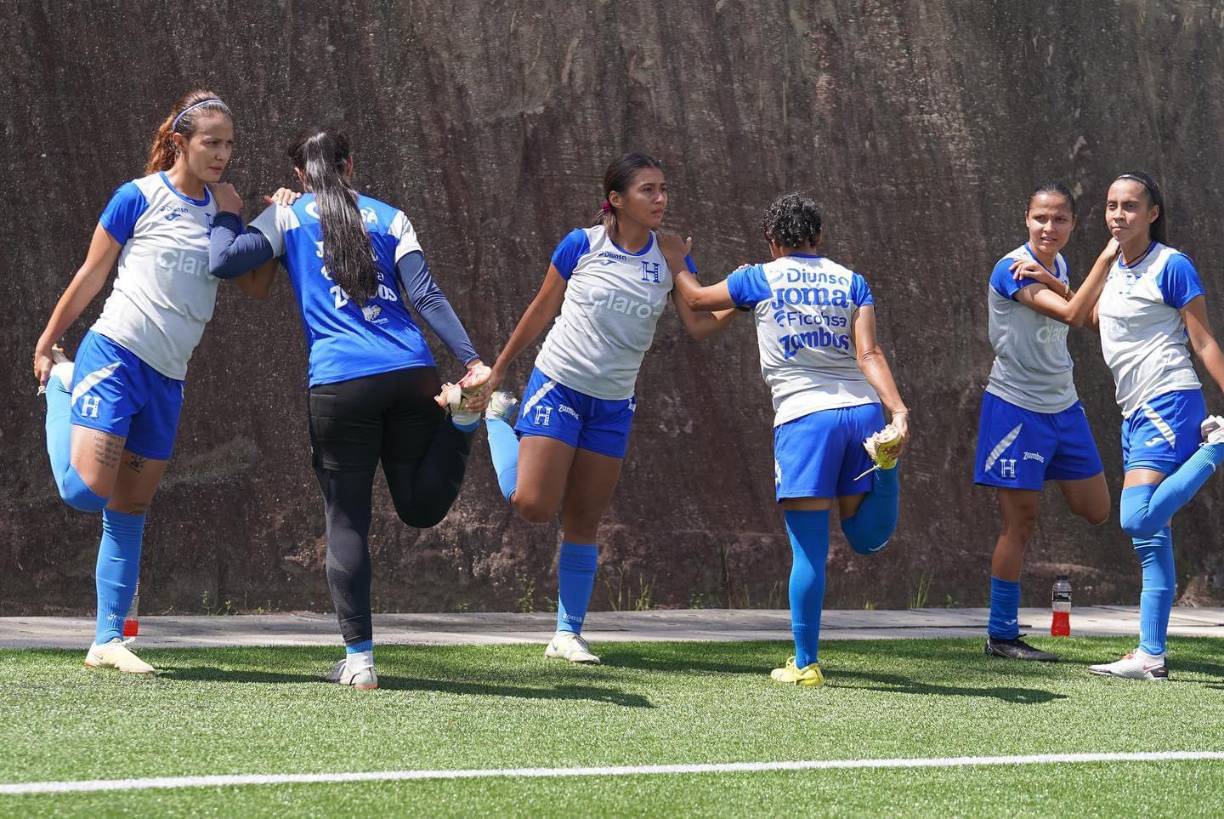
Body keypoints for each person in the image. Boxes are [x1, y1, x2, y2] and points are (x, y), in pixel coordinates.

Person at [208, 128, 488, 690]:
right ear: (350, 165)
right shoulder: (391, 217)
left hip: (341, 384)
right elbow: (426, 296)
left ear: (298, 177)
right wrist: (473, 361)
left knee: (347, 519)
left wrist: (228, 210)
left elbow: (223, 260)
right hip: (411, 373)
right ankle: (462, 423)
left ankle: (360, 661)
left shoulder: (288, 215)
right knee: (419, 508)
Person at [32, 90, 268, 674]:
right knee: (85, 490)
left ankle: (107, 640)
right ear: (179, 141)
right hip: (115, 355)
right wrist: (47, 342)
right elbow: (92, 275)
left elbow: (255, 287)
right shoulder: (136, 197)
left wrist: (242, 217)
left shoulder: (224, 204)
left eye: (229, 144)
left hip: (169, 377)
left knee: (131, 507)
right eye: (211, 142)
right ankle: (64, 386)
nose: (221, 153)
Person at [480, 152, 735, 664]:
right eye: (648, 190)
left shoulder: (670, 254)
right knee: (533, 505)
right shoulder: (583, 244)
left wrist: (746, 297)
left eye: (664, 189)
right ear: (616, 200)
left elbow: (700, 323)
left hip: (614, 403)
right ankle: (497, 420)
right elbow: (542, 307)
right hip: (559, 385)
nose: (660, 199)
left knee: (583, 520)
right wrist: (500, 370)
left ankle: (567, 633)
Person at [660, 192, 908, 688]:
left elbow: (695, 300)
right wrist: (897, 410)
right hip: (862, 411)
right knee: (865, 538)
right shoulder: (851, 280)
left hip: (803, 419)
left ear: (772, 242)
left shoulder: (760, 276)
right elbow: (870, 351)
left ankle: (805, 662)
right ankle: (885, 468)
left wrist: (676, 258)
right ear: (818, 238)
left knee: (810, 553)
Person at [1085, 172, 1224, 681]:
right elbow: (1086, 316)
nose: (1118, 215)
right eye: (1111, 206)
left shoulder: (1172, 265)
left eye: (1129, 206)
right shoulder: (1114, 269)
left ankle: (1217, 448)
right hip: (1133, 411)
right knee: (1152, 540)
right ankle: (1150, 654)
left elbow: (1203, 341)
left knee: (1137, 518)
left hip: (1169, 400)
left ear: (1152, 213)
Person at [975, 182, 1119, 662]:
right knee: (1021, 522)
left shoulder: (1055, 265)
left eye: (1059, 219)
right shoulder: (1012, 267)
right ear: (1025, 219)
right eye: (1040, 218)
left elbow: (1090, 316)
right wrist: (1111, 253)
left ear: (1072, 225)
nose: (1048, 227)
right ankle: (1002, 634)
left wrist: (1058, 279)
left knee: (1097, 508)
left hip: (1064, 406)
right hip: (1015, 408)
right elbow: (1080, 316)